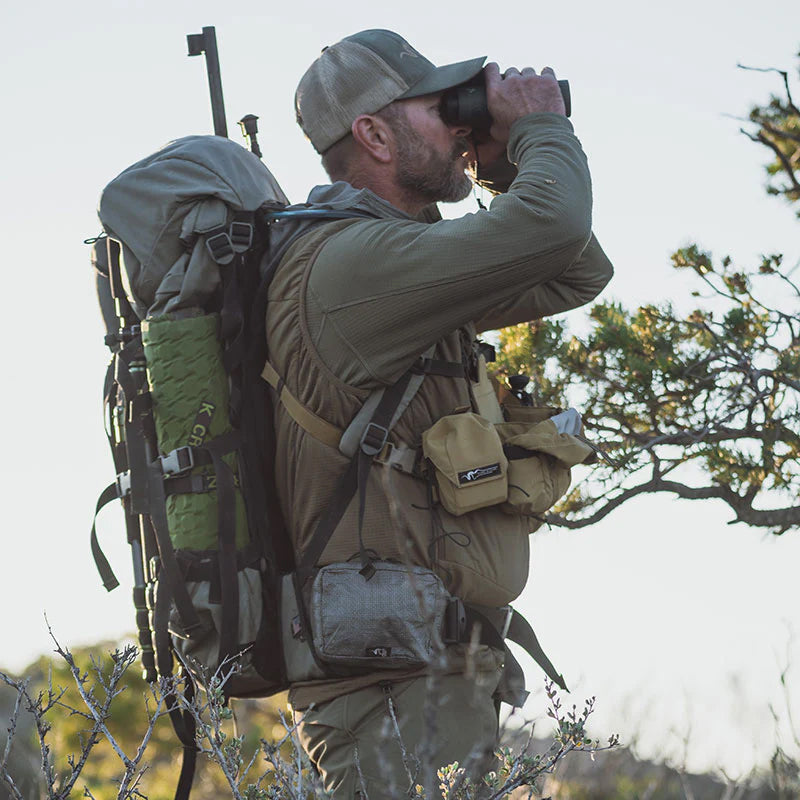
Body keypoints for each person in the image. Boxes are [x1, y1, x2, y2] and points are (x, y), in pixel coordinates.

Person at [263, 29, 613, 798]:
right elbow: (554, 228)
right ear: (374, 134)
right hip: (383, 702)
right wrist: (538, 126)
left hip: (431, 683)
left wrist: (499, 159)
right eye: (440, 107)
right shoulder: (351, 269)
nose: (461, 123)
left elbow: (576, 268)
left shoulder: (400, 264)